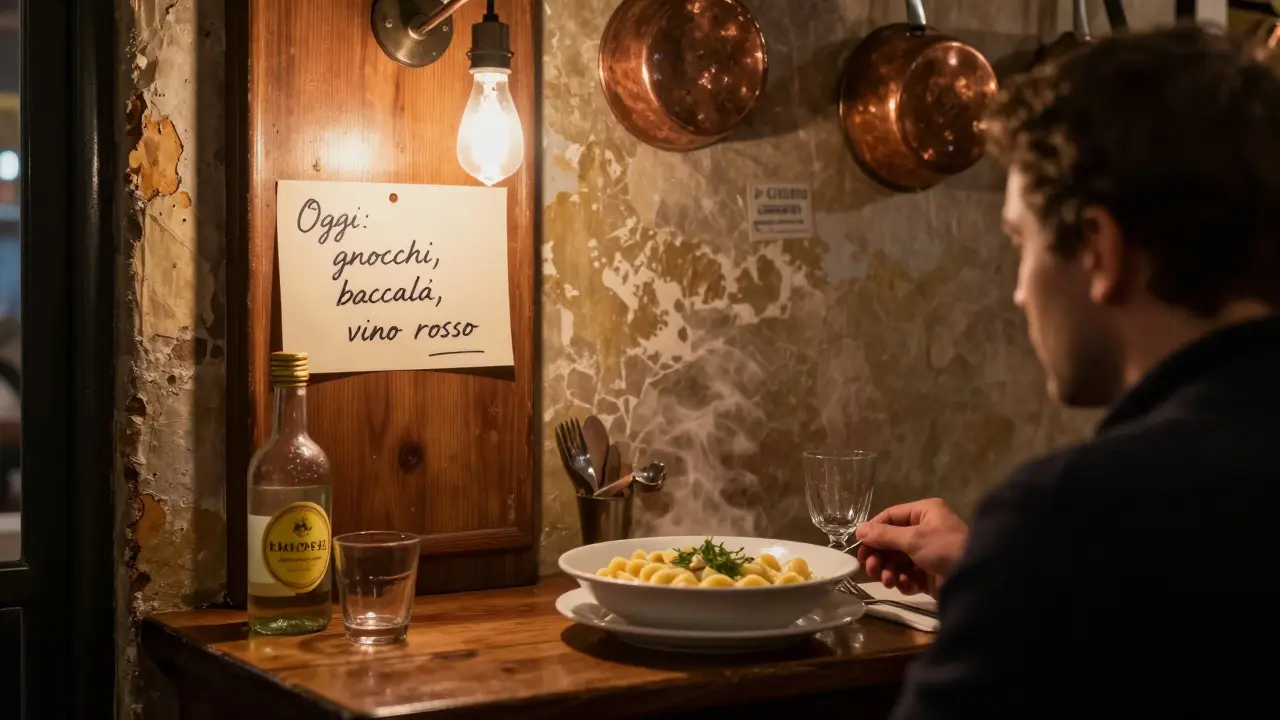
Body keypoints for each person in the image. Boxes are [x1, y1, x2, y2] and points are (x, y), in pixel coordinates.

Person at [853, 24, 1280, 719]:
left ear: (1098, 250)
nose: (1020, 291)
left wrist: (1028, 561)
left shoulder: (1070, 521)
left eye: (1021, 242)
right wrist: (996, 567)